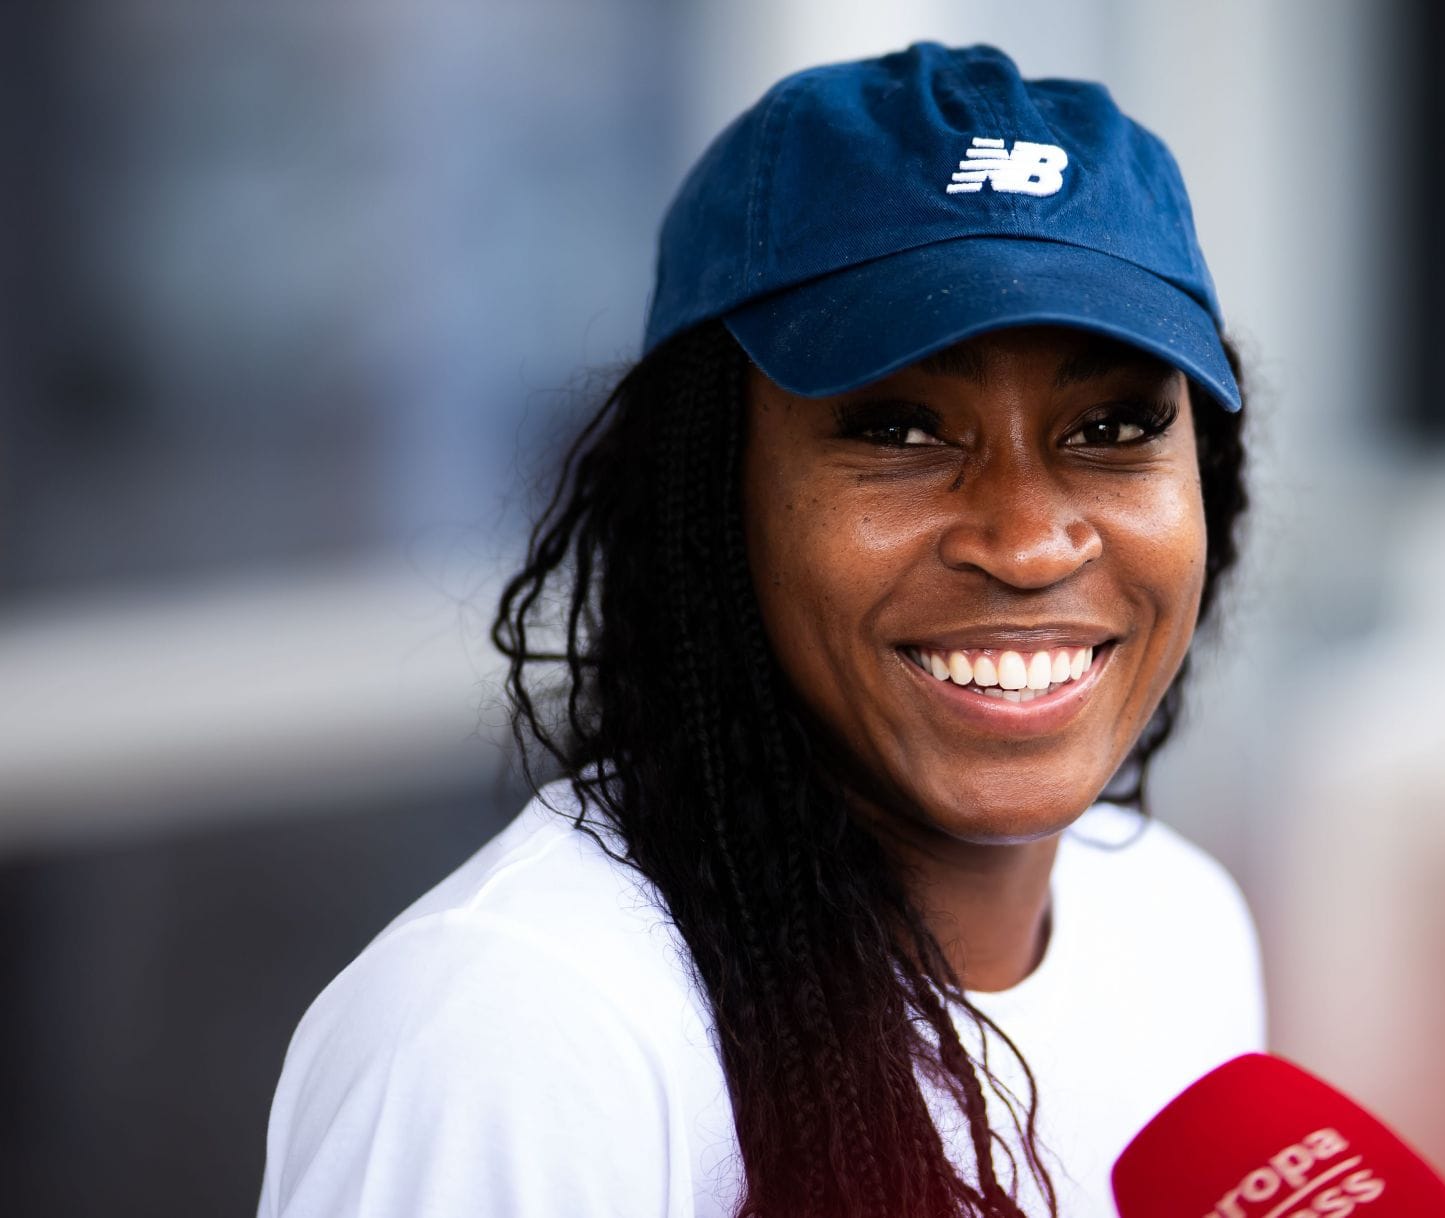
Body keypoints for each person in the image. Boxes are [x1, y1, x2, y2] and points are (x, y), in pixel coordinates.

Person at [257, 41, 1262, 1218]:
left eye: (1111, 426)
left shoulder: (1180, 928)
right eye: (898, 431)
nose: (1032, 542)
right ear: (709, 497)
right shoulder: (518, 1033)